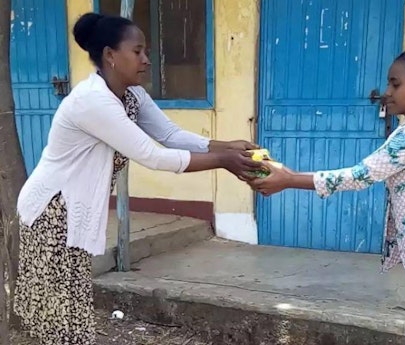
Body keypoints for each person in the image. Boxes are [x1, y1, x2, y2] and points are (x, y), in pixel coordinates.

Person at [14, 12, 260, 345]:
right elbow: (153, 155)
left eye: (145, 51)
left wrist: (224, 145)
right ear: (110, 56)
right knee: (59, 313)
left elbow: (170, 134)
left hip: (74, 210)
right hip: (52, 211)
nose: (146, 60)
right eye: (138, 51)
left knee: (72, 307)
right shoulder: (92, 101)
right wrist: (222, 161)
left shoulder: (131, 94)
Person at [249, 47, 405, 345]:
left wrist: (289, 179)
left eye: (395, 84)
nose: (387, 92)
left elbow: (361, 175)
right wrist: (288, 175)